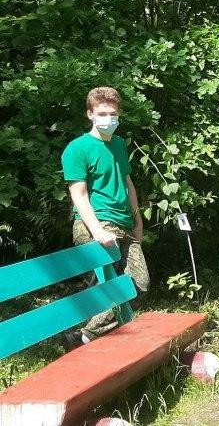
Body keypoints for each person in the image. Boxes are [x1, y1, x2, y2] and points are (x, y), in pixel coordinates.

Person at [60, 86, 150, 347]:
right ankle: (92, 341)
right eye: (102, 113)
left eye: (113, 113)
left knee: (139, 284)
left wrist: (138, 220)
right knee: (106, 288)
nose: (108, 119)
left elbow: (127, 183)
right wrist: (97, 230)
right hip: (95, 225)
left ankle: (86, 336)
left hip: (124, 224)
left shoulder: (119, 145)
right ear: (90, 114)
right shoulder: (77, 148)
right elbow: (79, 195)